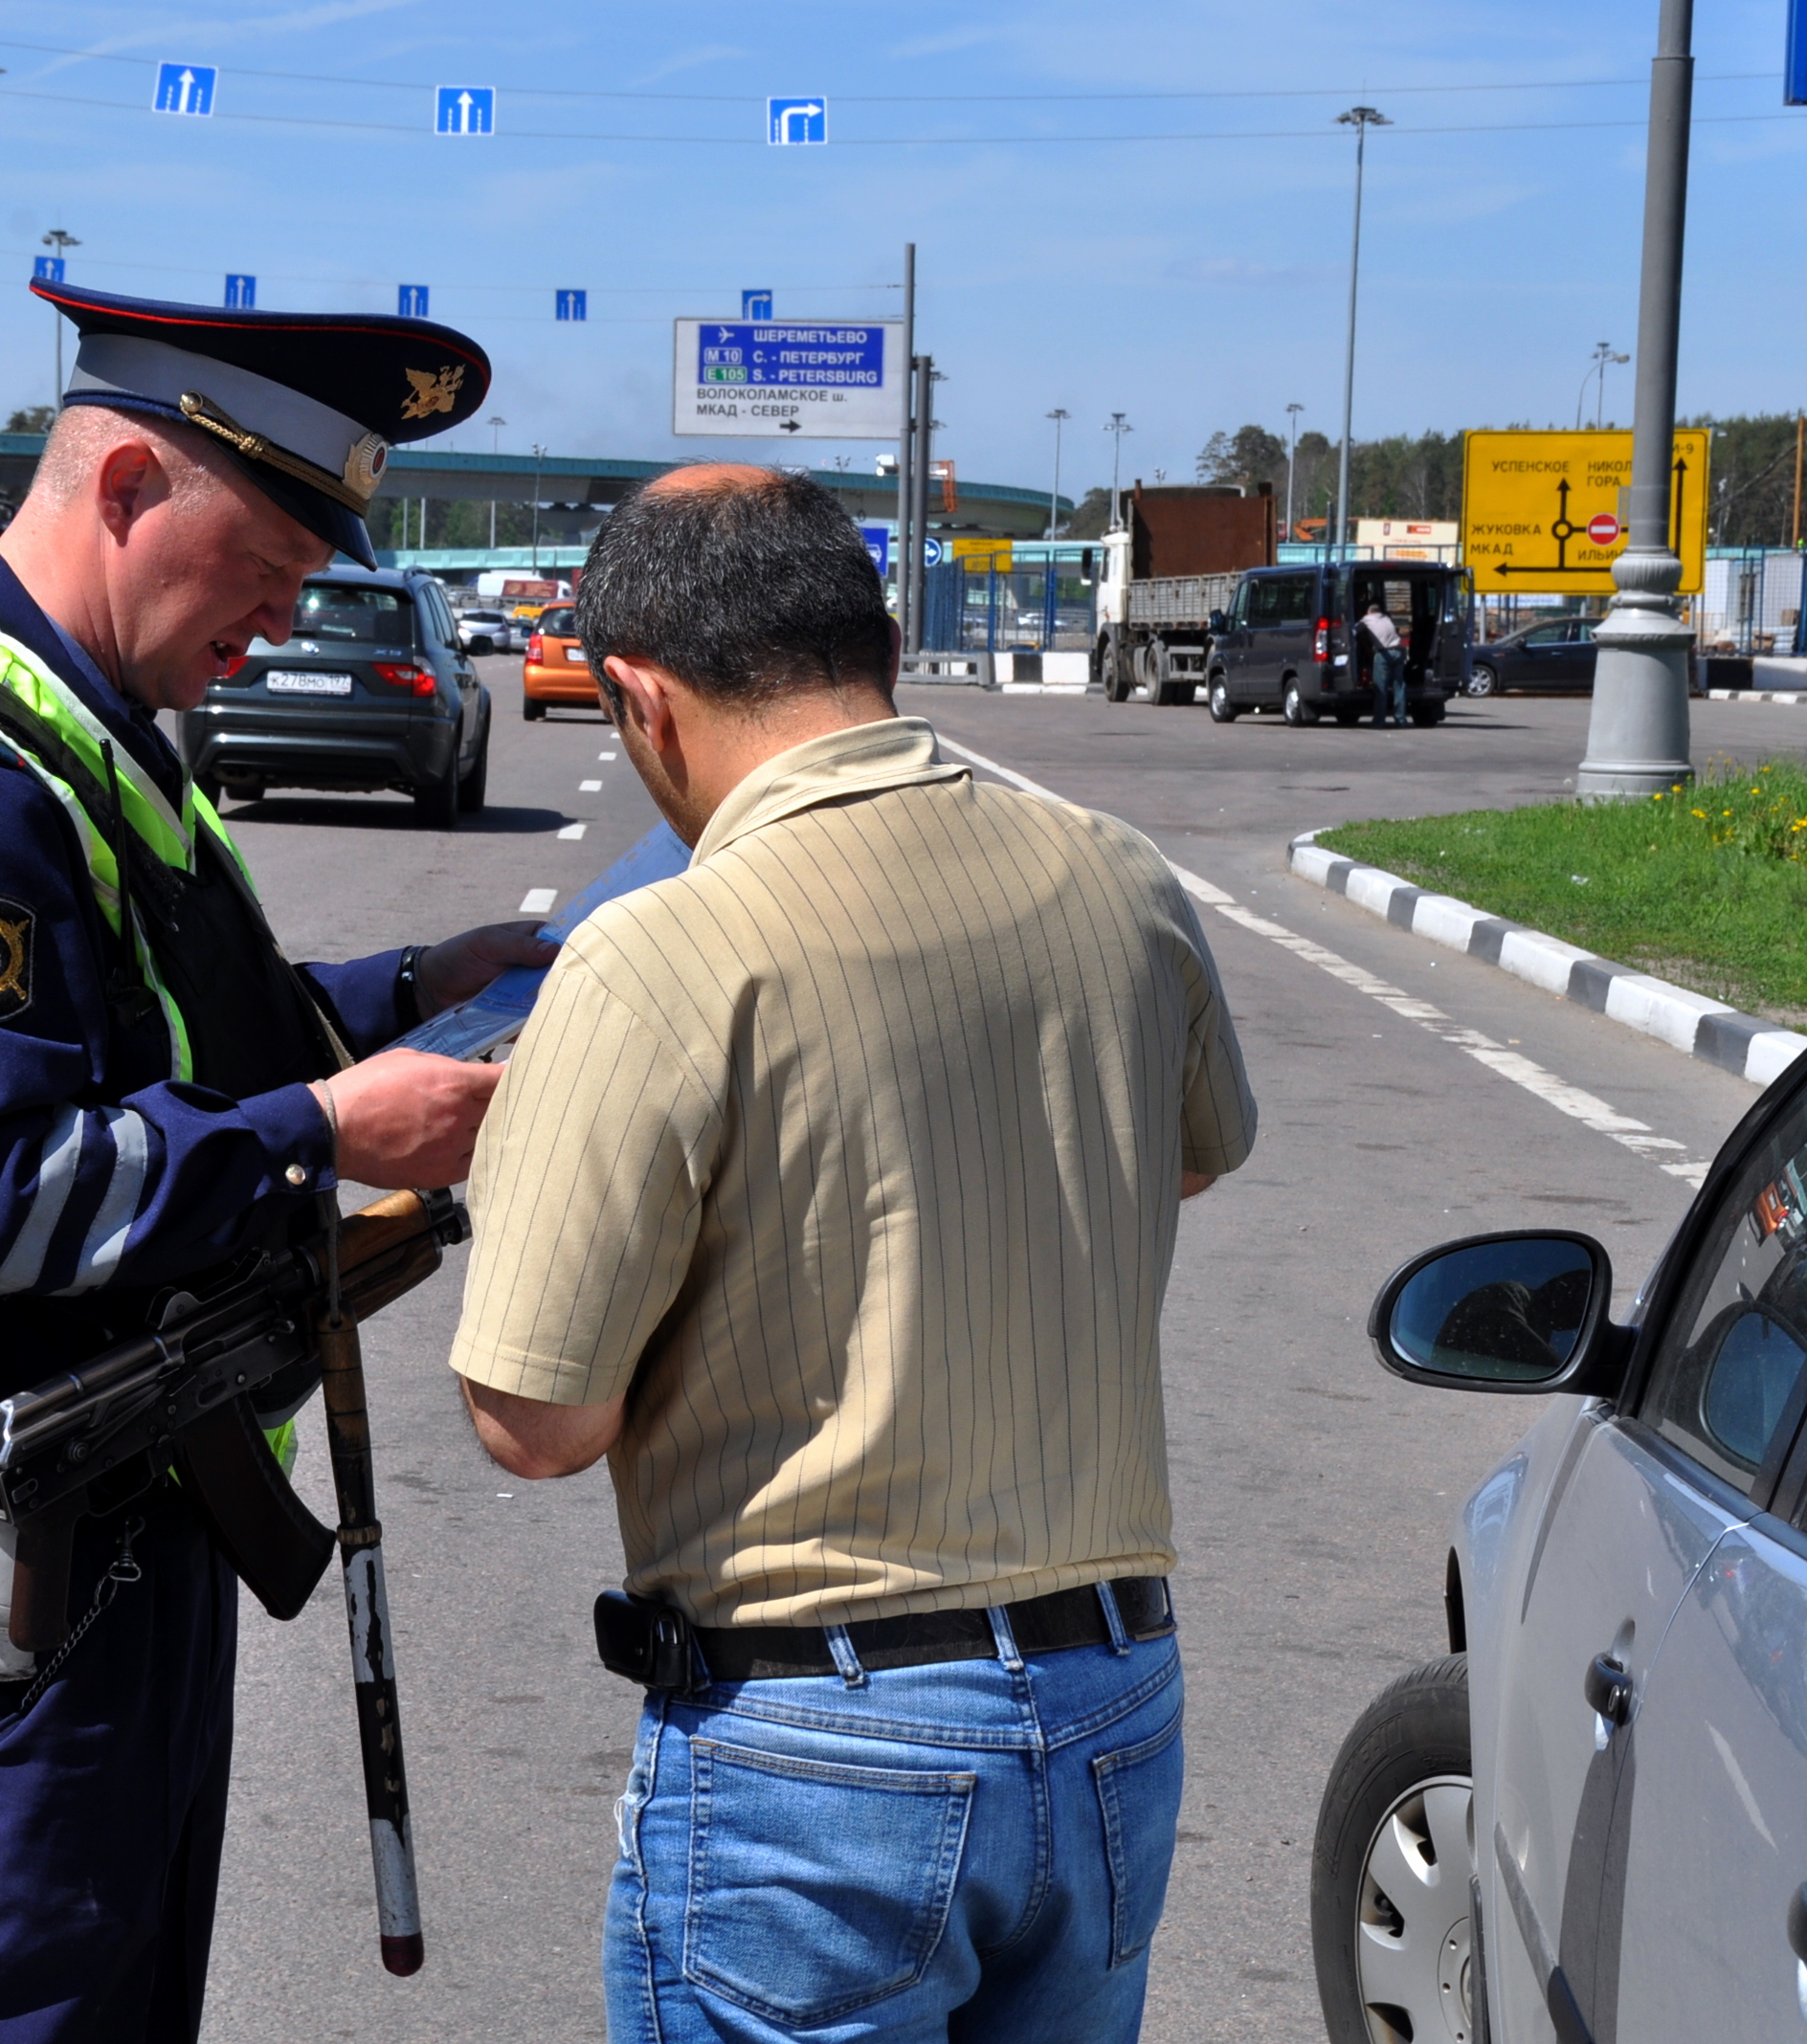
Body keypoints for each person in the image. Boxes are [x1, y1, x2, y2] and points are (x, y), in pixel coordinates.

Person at [0, 278, 549, 2042]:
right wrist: (337, 1128)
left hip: (128, 1508)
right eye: (261, 576)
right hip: (1, 1557)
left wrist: (423, 990)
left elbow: (180, 1038)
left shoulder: (82, 721)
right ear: (125, 487)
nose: (271, 630)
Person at [444, 466, 1259, 2042]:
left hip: (816, 1748)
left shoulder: (661, 948)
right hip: (1108, 1709)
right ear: (869, 641)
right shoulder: (1118, 873)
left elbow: (533, 1423)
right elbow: (1187, 1152)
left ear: (639, 698)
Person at [1362, 595, 1407, 725]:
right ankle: (1401, 720)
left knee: (1380, 687)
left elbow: (1353, 631)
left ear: (1369, 612)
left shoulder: (1367, 619)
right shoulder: (1386, 618)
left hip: (1384, 654)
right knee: (1399, 686)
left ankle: (1379, 720)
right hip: (1398, 652)